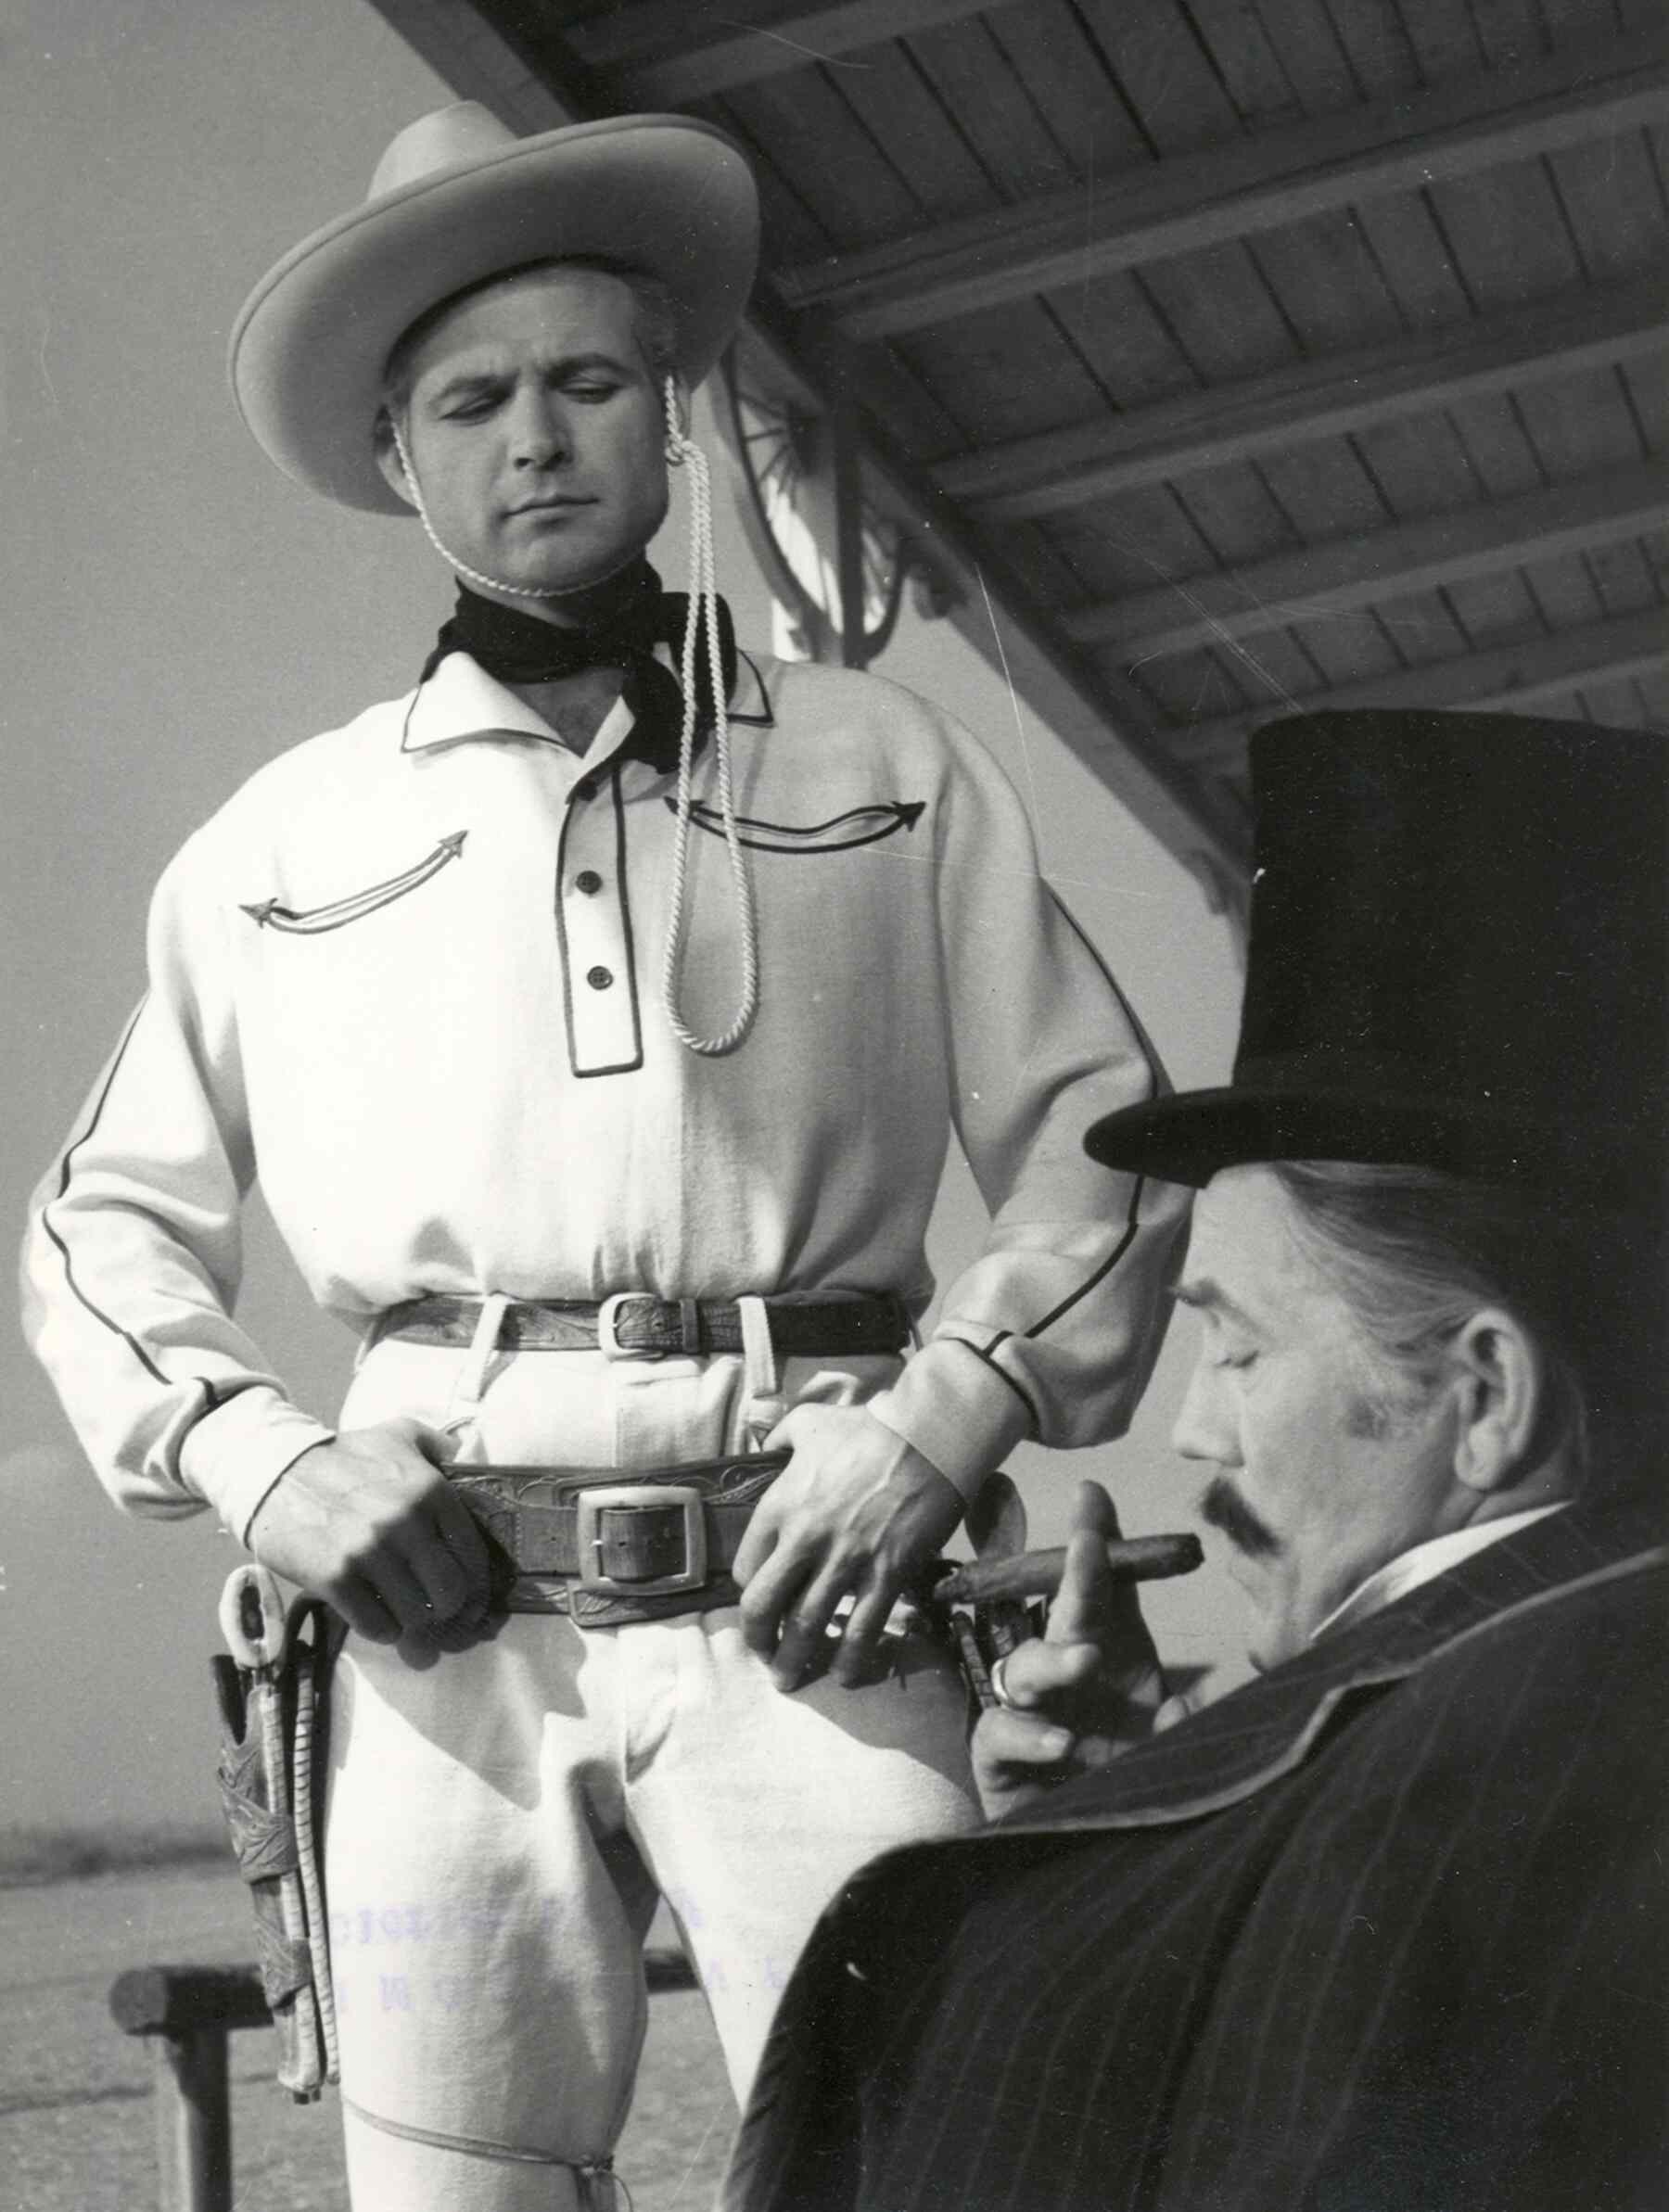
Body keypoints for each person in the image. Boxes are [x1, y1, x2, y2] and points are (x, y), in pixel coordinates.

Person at [19, 104, 1187, 2210]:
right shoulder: (287, 835)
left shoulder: (884, 762)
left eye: (586, 382)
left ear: (675, 413)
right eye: (473, 401)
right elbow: (99, 1228)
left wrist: (942, 1420)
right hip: (440, 1632)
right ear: (400, 457)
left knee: (927, 2164)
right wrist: (269, 1462)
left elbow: (1109, 1139)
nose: (537, 439)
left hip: (824, 1584)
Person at [723, 707, 1669, 2212]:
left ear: (1488, 1392)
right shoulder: (1549, 1695)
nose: (1190, 1431)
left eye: (1234, 1346)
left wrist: (1103, 1893)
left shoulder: (1474, 1786)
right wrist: (1158, 1813)